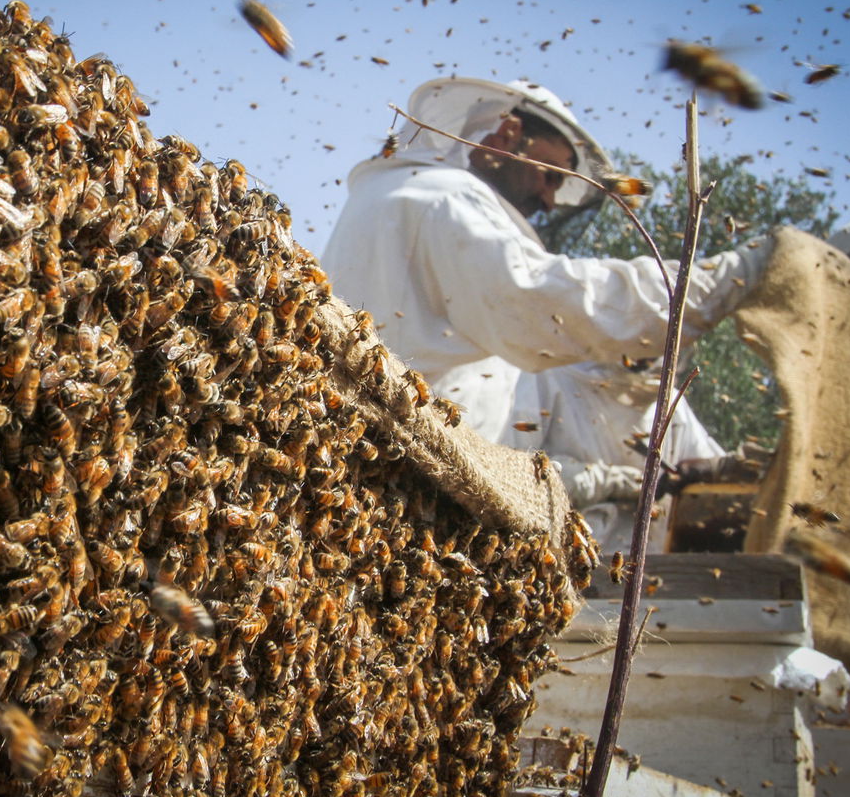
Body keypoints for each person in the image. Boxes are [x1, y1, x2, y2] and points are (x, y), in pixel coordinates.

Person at [321, 77, 771, 534]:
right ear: (509, 133)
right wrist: (727, 278)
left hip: (378, 472)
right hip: (406, 485)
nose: (550, 198)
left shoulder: (395, 194)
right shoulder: (443, 199)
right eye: (552, 174)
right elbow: (550, 305)